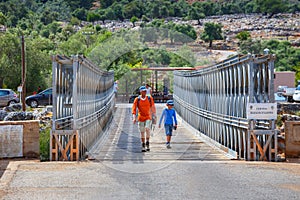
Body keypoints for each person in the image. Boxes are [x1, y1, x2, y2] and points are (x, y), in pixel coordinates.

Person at [132, 85, 156, 152]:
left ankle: (147, 142)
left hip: (148, 116)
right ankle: (143, 144)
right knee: (142, 132)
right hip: (140, 117)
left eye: (145, 91)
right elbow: (134, 109)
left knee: (147, 129)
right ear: (140, 92)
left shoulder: (149, 98)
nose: (144, 92)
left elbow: (153, 107)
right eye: (143, 91)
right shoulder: (137, 99)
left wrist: (154, 115)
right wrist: (134, 117)